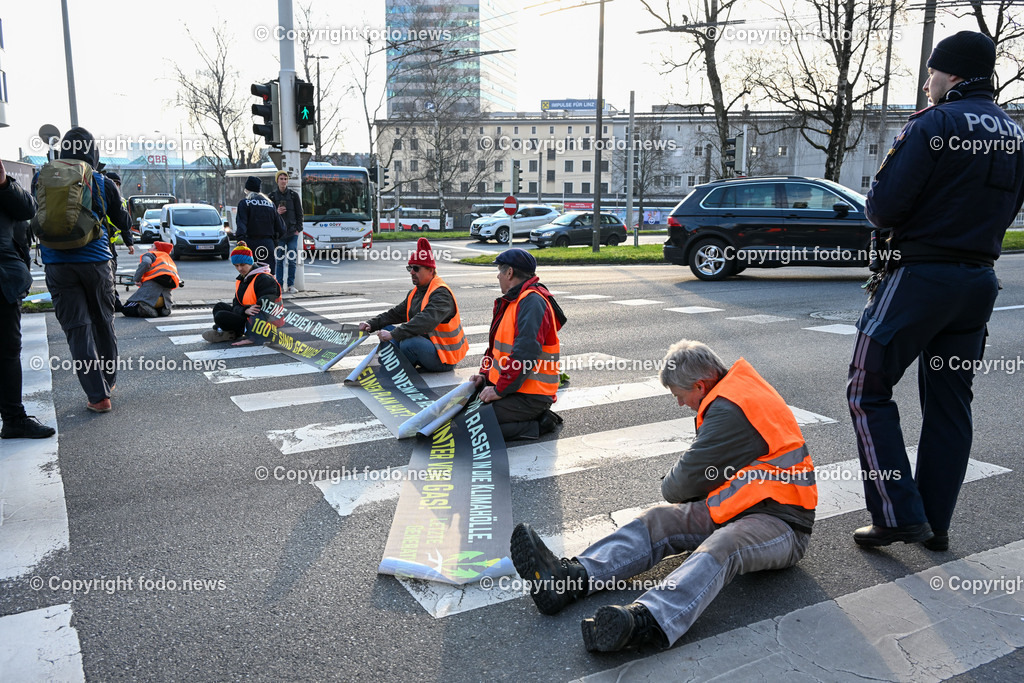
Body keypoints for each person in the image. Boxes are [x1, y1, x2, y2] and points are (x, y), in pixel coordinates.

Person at [510, 340, 816, 652]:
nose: (681, 404)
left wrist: (677, 482)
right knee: (659, 519)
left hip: (783, 525)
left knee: (724, 545)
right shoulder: (735, 390)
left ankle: (650, 620)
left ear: (700, 384)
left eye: (680, 396)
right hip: (739, 506)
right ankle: (571, 577)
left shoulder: (731, 410)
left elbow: (678, 487)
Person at [847, 31, 1024, 552]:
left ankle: (897, 513)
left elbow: (883, 208)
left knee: (866, 387)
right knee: (949, 405)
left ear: (949, 74)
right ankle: (936, 524)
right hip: (978, 282)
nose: (927, 83)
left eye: (930, 73)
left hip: (919, 278)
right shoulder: (1014, 135)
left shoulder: (934, 123)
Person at [35, 127, 133, 413]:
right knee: (103, 321)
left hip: (57, 265)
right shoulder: (102, 181)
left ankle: (98, 396)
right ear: (92, 152)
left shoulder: (42, 178)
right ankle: (109, 380)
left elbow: (35, 213)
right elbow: (122, 222)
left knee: (77, 330)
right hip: (96, 262)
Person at [469, 248, 565, 441]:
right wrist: (484, 374)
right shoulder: (514, 300)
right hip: (515, 387)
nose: (498, 276)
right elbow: (495, 349)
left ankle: (539, 424)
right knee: (464, 415)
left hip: (531, 395)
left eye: (500, 271)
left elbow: (525, 354)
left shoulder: (531, 302)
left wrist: (498, 391)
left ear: (510, 273)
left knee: (474, 427)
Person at [0, 159, 55, 438]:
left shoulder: (4, 183)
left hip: (4, 280)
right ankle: (13, 418)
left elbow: (29, 208)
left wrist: (4, 184)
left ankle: (13, 418)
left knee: (9, 349)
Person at [359, 237, 468, 372]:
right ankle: (394, 362)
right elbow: (396, 313)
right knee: (386, 327)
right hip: (428, 346)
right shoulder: (416, 292)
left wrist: (394, 335)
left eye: (416, 268)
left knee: (408, 343)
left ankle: (397, 368)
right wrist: (372, 324)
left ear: (430, 270)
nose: (411, 272)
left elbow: (425, 321)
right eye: (410, 268)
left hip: (444, 356)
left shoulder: (441, 294)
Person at [202, 242, 281, 343]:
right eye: (236, 266)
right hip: (248, 316)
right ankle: (228, 332)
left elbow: (266, 310)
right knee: (219, 306)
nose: (239, 269)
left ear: (251, 262)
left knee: (221, 316)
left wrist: (253, 338)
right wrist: (245, 310)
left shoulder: (264, 279)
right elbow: (236, 304)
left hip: (263, 324)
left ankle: (229, 332)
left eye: (242, 265)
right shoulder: (243, 279)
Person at [235, 176, 284, 278]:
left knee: (251, 275)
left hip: (251, 243)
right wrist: (274, 240)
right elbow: (281, 228)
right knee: (269, 275)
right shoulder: (270, 204)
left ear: (246, 190)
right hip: (268, 244)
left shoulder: (245, 203)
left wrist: (240, 240)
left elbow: (241, 224)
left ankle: (253, 293)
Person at [121, 241, 179, 318]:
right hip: (165, 300)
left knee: (126, 309)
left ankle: (143, 310)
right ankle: (162, 309)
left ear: (157, 249)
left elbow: (145, 263)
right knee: (158, 304)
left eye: (152, 246)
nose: (149, 248)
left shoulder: (152, 255)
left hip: (150, 296)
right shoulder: (168, 260)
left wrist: (137, 279)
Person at [267, 170, 303, 294]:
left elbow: (300, 213)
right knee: (280, 260)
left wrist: (299, 229)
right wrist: (277, 212)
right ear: (277, 181)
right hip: (279, 234)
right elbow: (269, 216)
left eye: (285, 179)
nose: (283, 181)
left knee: (292, 260)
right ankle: (280, 285)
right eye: (281, 178)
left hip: (292, 232)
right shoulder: (271, 197)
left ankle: (291, 285)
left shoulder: (293, 195)